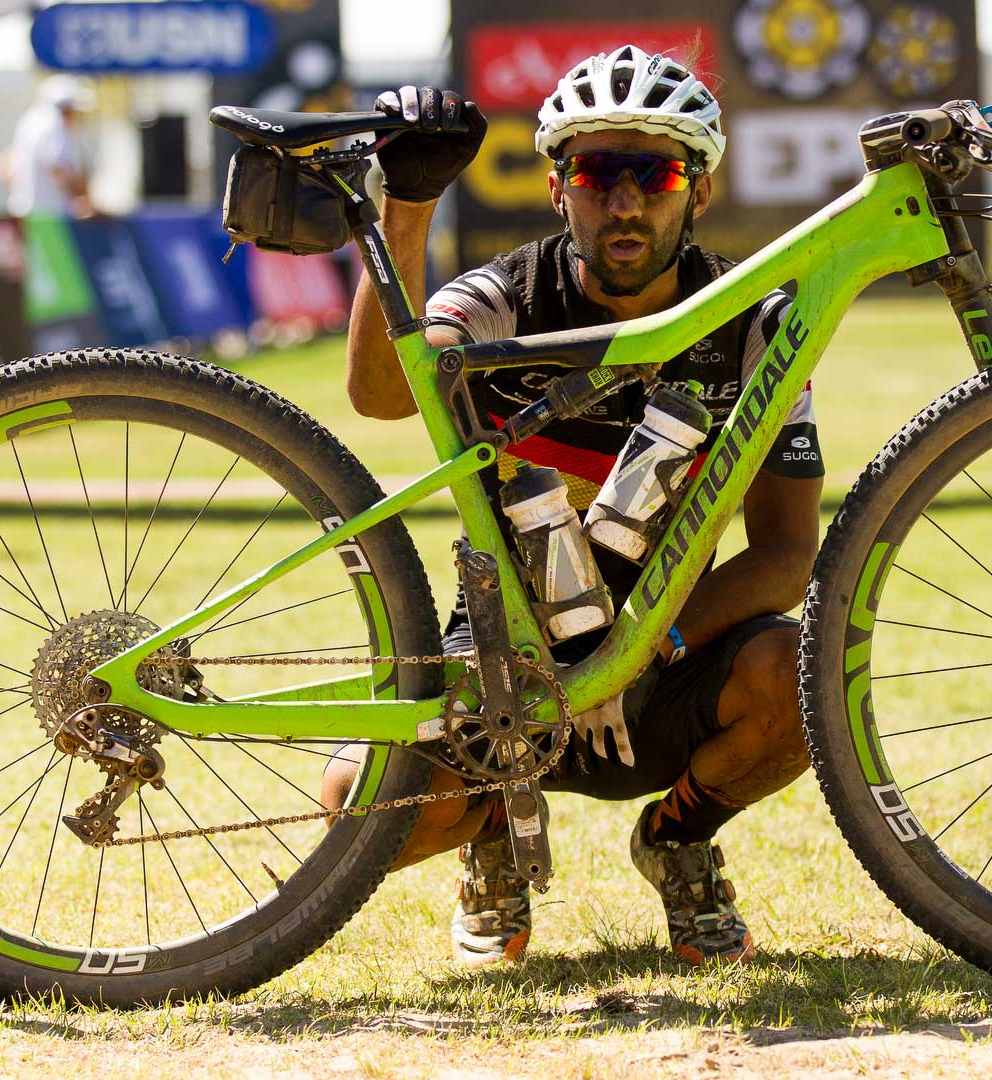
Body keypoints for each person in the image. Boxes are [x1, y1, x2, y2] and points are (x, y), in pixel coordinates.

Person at [327, 47, 825, 968]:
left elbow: (788, 555)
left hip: (659, 661)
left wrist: (648, 644)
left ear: (699, 190)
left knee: (801, 676)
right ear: (558, 189)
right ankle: (487, 834)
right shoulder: (502, 302)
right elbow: (377, 393)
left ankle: (677, 841)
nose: (626, 201)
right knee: (352, 809)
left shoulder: (757, 324)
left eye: (656, 171)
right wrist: (407, 203)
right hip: (504, 673)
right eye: (597, 173)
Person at [0, 75, 95, 219]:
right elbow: (57, 168)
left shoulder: (29, 122)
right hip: (52, 217)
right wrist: (80, 198)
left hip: (26, 213)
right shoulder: (53, 125)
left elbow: (4, 169)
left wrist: (24, 193)